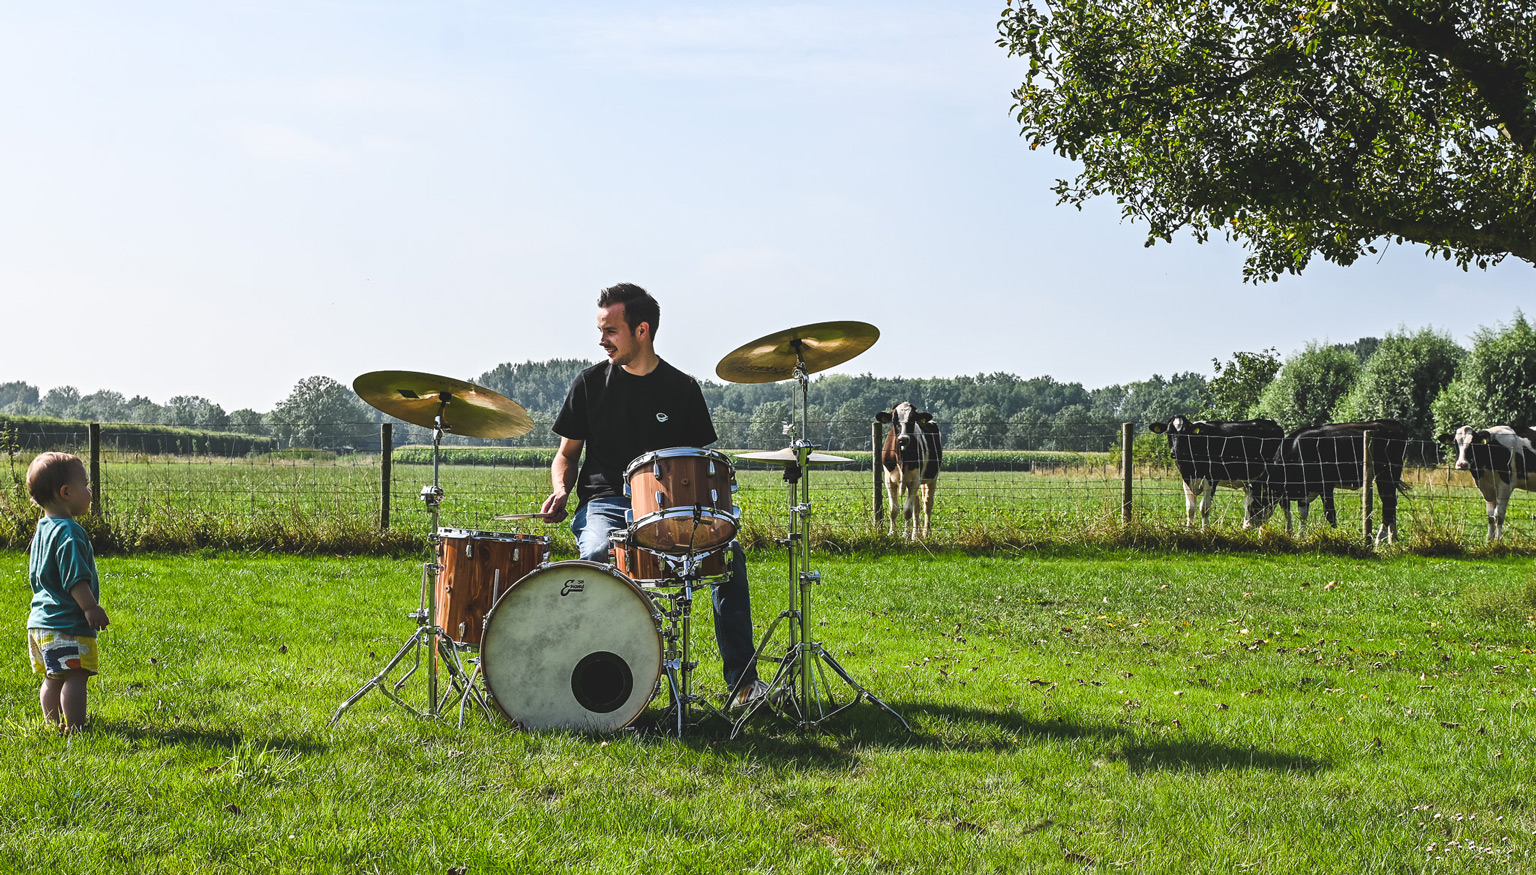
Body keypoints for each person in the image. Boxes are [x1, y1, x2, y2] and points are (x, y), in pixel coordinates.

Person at [541, 283, 767, 709]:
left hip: (667, 511)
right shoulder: (589, 384)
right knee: (595, 555)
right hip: (605, 503)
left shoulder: (681, 390)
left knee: (730, 559)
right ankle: (593, 685)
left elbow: (700, 464)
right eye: (600, 329)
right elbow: (566, 456)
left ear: (641, 330)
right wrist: (559, 490)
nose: (601, 339)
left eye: (611, 330)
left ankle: (742, 684)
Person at [25, 452, 110, 732]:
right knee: (76, 676)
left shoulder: (44, 528)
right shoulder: (70, 532)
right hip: (67, 623)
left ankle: (53, 725)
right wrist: (90, 608)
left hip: (41, 623)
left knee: (54, 677)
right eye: (85, 485)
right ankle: (75, 727)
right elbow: (75, 577)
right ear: (65, 492)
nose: (89, 491)